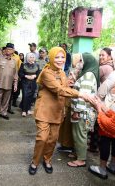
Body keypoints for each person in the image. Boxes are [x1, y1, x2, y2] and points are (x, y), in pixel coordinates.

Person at [28, 47, 91, 175]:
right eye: (57, 57)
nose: (60, 60)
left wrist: (70, 83)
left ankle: (47, 160)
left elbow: (64, 88)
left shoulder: (62, 73)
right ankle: (34, 162)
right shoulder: (46, 73)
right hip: (44, 111)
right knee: (42, 138)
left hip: (57, 111)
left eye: (62, 57)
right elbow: (59, 90)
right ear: (51, 58)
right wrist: (80, 94)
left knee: (52, 139)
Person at [67, 52, 99, 168]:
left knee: (80, 134)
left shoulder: (88, 75)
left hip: (83, 112)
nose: (78, 64)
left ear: (87, 62)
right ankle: (78, 153)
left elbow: (84, 95)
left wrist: (77, 111)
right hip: (83, 111)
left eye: (81, 61)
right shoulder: (86, 73)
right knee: (78, 133)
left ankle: (81, 159)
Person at [0, 43, 18, 121]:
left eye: (10, 49)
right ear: (5, 50)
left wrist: (15, 84)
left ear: (13, 51)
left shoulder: (14, 61)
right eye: (7, 49)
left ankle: (4, 113)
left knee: (6, 100)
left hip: (9, 84)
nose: (8, 50)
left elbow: (15, 74)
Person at [19, 52, 39, 117]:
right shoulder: (23, 64)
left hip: (33, 83)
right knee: (25, 96)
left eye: (33, 57)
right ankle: (24, 110)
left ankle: (28, 109)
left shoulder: (37, 65)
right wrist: (26, 76)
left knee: (31, 96)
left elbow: (39, 74)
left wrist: (35, 76)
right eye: (30, 57)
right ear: (28, 58)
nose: (32, 58)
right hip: (25, 82)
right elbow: (20, 73)